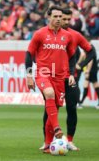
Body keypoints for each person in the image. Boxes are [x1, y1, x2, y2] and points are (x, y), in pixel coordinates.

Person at [39, 9, 95, 151]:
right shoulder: (46, 34)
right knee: (50, 109)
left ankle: (69, 140)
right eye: (62, 18)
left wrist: (79, 66)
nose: (64, 21)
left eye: (67, 19)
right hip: (53, 77)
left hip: (70, 79)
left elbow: (91, 51)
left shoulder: (74, 35)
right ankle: (48, 141)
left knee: (71, 108)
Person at [25, 5, 76, 154]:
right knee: (49, 94)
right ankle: (57, 128)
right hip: (43, 73)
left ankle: (48, 144)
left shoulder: (67, 36)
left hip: (60, 77)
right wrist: (29, 75)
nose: (59, 19)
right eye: (56, 17)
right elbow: (29, 54)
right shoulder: (39, 34)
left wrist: (71, 73)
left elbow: (72, 57)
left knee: (54, 107)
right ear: (49, 17)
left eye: (60, 17)